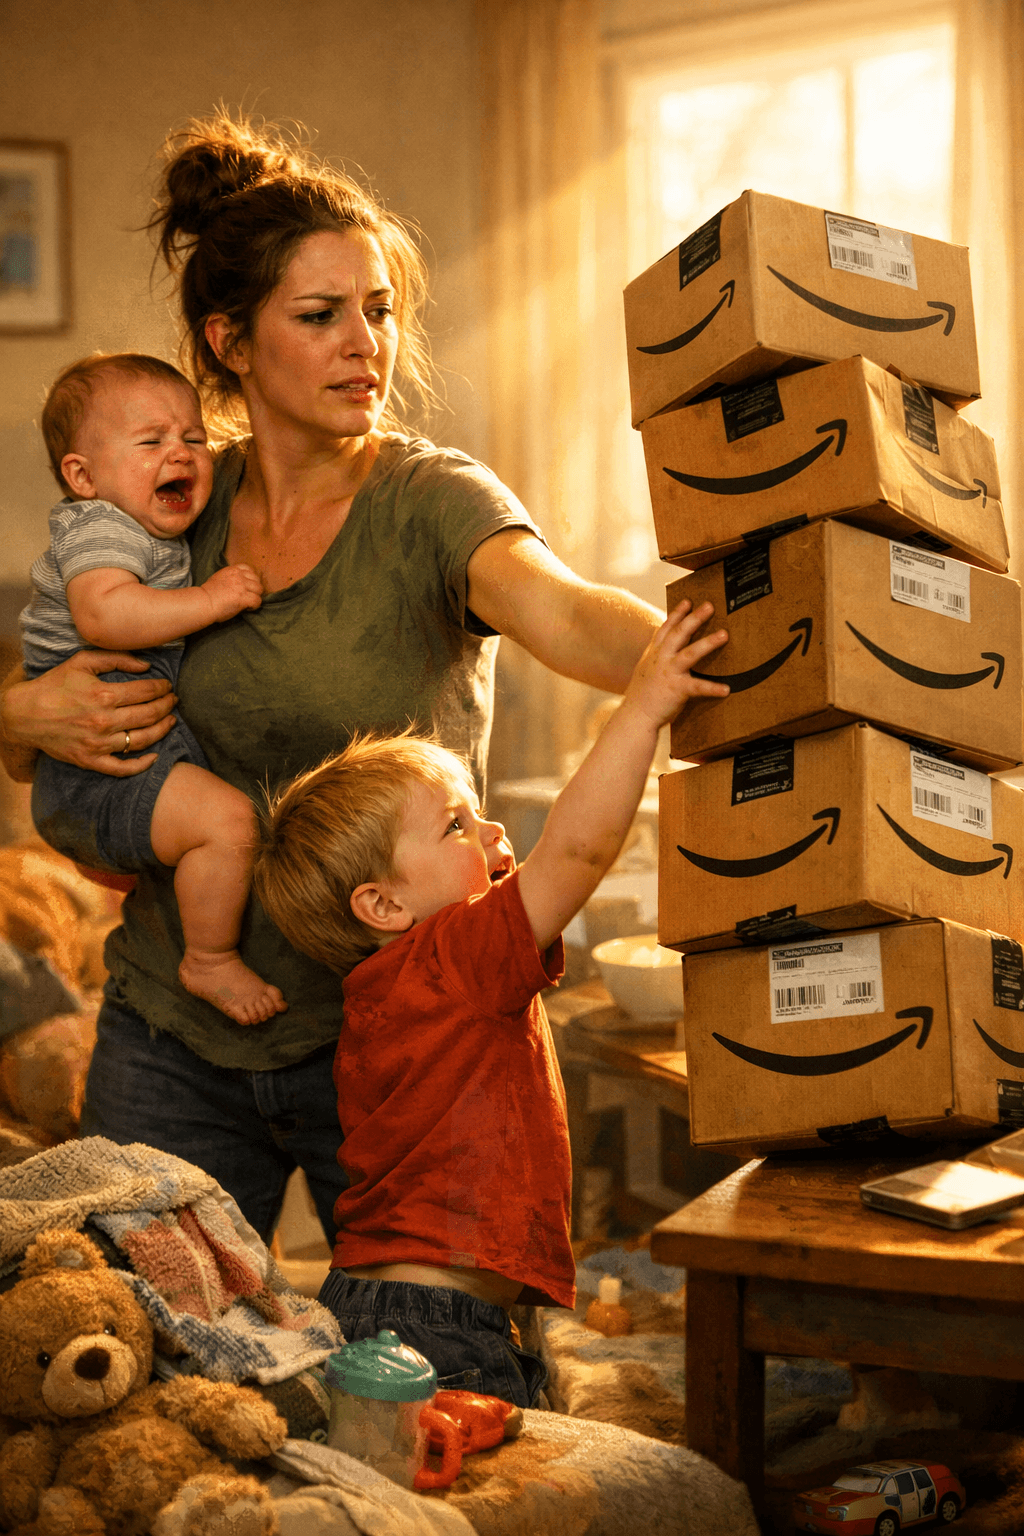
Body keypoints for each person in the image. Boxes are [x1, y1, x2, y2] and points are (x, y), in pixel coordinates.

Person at [0, 112, 670, 1247]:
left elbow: (566, 615)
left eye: (380, 311)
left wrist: (712, 647)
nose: (367, 343)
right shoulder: (169, 503)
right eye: (320, 317)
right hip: (175, 1038)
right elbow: (53, 678)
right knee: (137, 1376)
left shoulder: (431, 501)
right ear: (229, 342)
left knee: (448, 1382)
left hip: (407, 1036)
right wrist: (17, 710)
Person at [253, 598, 727, 1404]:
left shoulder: (386, 988)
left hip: (405, 1310)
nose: (497, 834)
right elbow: (576, 849)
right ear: (382, 906)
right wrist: (645, 707)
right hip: (438, 1327)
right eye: (457, 827)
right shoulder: (451, 959)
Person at [22, 351, 286, 1025]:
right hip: (92, 768)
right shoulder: (99, 528)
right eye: (152, 442)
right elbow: (104, 615)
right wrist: (212, 598)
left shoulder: (144, 523)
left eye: (195, 438)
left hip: (128, 745)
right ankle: (209, 959)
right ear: (82, 476)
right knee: (228, 823)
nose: (183, 453)